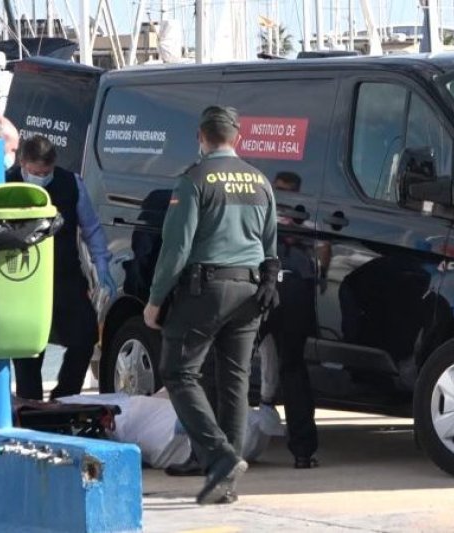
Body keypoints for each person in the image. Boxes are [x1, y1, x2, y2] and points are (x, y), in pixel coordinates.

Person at [143, 106, 280, 505]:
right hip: (250, 291)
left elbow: (176, 247)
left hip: (206, 289)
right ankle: (226, 484)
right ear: (237, 138)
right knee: (235, 382)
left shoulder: (194, 180)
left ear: (201, 137)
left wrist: (155, 300)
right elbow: (271, 245)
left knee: (178, 372)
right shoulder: (260, 181)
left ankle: (220, 457)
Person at [8, 135, 116, 401]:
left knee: (85, 336)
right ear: (22, 163)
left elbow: (90, 228)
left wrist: (102, 263)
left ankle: (64, 398)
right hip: (22, 280)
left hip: (64, 276)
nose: (41, 178)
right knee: (29, 349)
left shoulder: (70, 183)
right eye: (35, 173)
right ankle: (31, 405)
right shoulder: (6, 184)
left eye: (46, 173)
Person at [269, 171, 319, 469]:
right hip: (293, 289)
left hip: (260, 285)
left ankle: (221, 452)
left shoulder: (262, 210)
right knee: (293, 367)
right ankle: (303, 450)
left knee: (234, 368)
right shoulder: (308, 222)